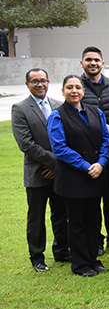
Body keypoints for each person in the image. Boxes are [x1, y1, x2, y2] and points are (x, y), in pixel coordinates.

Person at [47, 75, 109, 277]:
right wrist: (86, 166)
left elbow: (105, 140)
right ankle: (81, 264)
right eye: (69, 87)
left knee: (94, 220)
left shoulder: (96, 112)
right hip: (73, 178)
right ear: (63, 91)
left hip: (96, 175)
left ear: (83, 90)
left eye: (77, 87)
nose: (74, 91)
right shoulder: (57, 116)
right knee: (76, 222)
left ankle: (93, 259)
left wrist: (101, 164)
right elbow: (60, 148)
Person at [12, 69, 68, 271]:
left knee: (61, 213)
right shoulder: (20, 108)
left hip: (59, 172)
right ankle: (37, 257)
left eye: (43, 81)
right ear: (27, 84)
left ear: (48, 82)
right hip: (37, 172)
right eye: (34, 81)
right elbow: (25, 143)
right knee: (36, 217)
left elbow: (66, 137)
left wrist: (57, 165)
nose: (39, 85)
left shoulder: (58, 105)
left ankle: (62, 251)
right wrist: (53, 161)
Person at [79, 46, 109, 252]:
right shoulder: (77, 87)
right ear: (81, 63)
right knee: (92, 200)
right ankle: (96, 241)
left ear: (103, 63)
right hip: (89, 154)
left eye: (96, 60)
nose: (93, 63)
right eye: (88, 60)